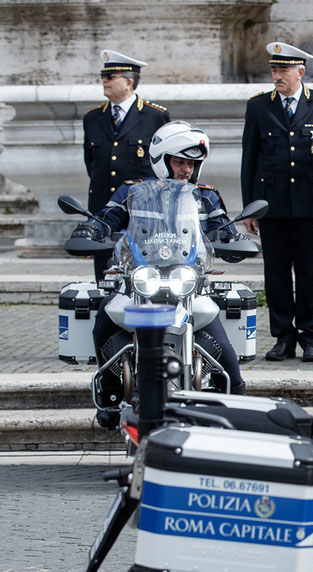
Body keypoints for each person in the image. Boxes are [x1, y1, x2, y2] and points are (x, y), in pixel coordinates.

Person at [73, 122, 248, 425]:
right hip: (140, 281)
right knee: (104, 318)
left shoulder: (205, 197)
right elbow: (107, 218)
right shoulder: (131, 192)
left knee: (225, 349)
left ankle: (237, 402)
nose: (186, 170)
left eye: (192, 164)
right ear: (162, 160)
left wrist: (236, 240)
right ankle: (111, 393)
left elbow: (224, 230)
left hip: (187, 285)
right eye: (180, 162)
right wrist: (91, 227)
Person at [240, 41, 313, 363]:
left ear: (301, 72)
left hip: (309, 204)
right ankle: (283, 337)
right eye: (274, 70)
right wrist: (249, 208)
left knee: (308, 274)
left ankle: (310, 336)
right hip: (271, 205)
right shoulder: (259, 106)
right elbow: (249, 160)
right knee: (276, 275)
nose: (277, 76)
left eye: (283, 70)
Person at [81, 49, 170, 282]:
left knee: (144, 278)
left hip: (141, 212)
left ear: (129, 82)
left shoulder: (154, 116)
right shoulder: (92, 118)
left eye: (111, 77)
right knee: (105, 278)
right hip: (104, 213)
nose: (104, 81)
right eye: (103, 76)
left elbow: (163, 166)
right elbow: (92, 165)